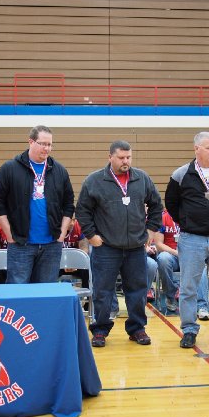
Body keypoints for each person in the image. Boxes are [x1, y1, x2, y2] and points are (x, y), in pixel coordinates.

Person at [76, 140, 163, 348]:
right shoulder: (95, 180)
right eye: (121, 157)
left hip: (135, 248)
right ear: (110, 157)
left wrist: (150, 231)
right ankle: (100, 330)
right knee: (102, 291)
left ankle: (137, 328)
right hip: (106, 248)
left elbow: (156, 206)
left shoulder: (142, 178)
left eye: (128, 157)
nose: (126, 161)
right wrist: (91, 236)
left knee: (137, 290)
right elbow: (82, 211)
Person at [165, 131, 209, 349]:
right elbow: (171, 204)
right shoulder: (181, 175)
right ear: (197, 149)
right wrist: (188, 221)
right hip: (191, 239)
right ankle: (189, 329)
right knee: (188, 287)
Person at [0, 125, 74, 284]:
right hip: (21, 244)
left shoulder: (59, 171)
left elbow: (68, 204)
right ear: (31, 142)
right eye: (43, 144)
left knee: (46, 293)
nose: (47, 148)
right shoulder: (10, 168)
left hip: (51, 245)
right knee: (18, 292)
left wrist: (62, 233)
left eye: (49, 144)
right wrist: (9, 234)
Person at [154, 208, 209, 316]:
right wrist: (177, 253)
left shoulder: (193, 218)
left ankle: (202, 307)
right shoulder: (163, 218)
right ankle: (171, 296)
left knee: (201, 266)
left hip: (191, 255)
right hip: (172, 255)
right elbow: (159, 244)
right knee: (163, 258)